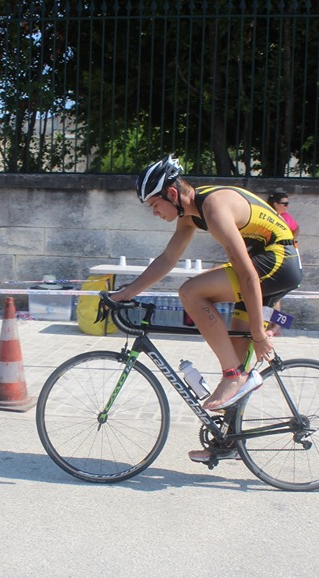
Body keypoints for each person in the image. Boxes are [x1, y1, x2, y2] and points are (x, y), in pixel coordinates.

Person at [110, 155, 303, 462]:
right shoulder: (190, 215)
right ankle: (229, 442)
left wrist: (259, 333)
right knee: (238, 371)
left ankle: (233, 375)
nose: (154, 212)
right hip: (264, 264)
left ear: (172, 194)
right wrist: (125, 293)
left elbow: (247, 274)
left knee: (191, 292)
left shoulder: (213, 207)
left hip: (278, 261)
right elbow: (167, 259)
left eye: (154, 204)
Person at [265, 191, 299, 337]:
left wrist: (289, 242)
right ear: (275, 204)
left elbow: (296, 229)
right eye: (284, 204)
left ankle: (275, 327)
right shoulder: (268, 215)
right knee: (271, 294)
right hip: (271, 257)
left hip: (282, 259)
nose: (287, 206)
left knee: (275, 294)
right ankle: (273, 326)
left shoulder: (285, 217)